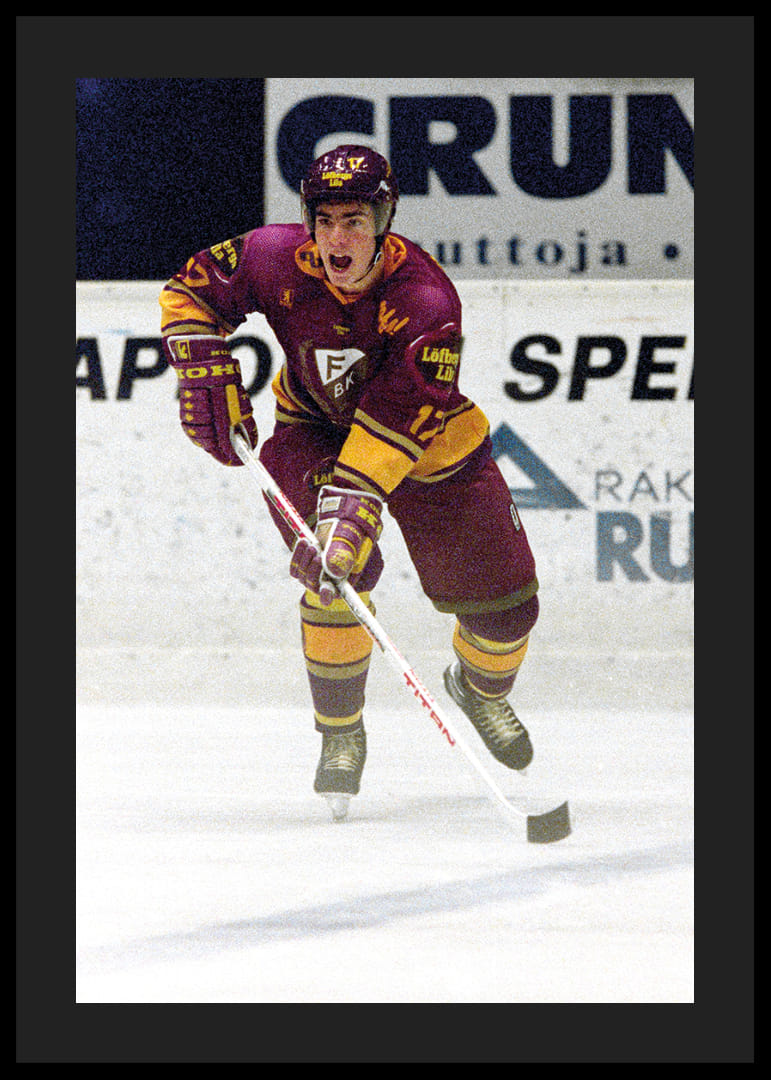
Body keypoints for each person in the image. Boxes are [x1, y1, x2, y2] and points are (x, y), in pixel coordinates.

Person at [159, 144, 540, 817]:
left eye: (355, 221)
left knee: (507, 610)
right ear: (309, 220)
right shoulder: (272, 256)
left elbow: (398, 419)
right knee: (335, 574)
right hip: (311, 430)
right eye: (326, 219)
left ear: (383, 221)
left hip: (426, 445)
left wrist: (351, 505)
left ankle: (477, 689)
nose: (338, 238)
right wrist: (200, 362)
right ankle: (340, 734)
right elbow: (191, 289)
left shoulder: (426, 301)